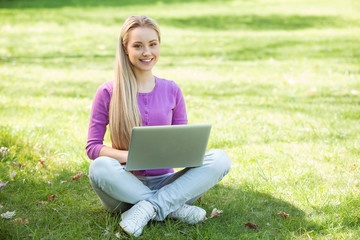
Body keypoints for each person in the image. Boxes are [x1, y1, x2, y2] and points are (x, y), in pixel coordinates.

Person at [86, 15, 231, 237]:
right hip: (123, 187)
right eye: (138, 46)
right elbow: (93, 148)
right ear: (126, 48)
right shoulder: (107, 92)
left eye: (153, 44)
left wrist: (184, 154)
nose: (147, 52)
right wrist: (131, 156)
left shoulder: (172, 90)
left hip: (168, 183)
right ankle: (172, 208)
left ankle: (148, 208)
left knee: (220, 159)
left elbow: (182, 146)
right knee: (99, 168)